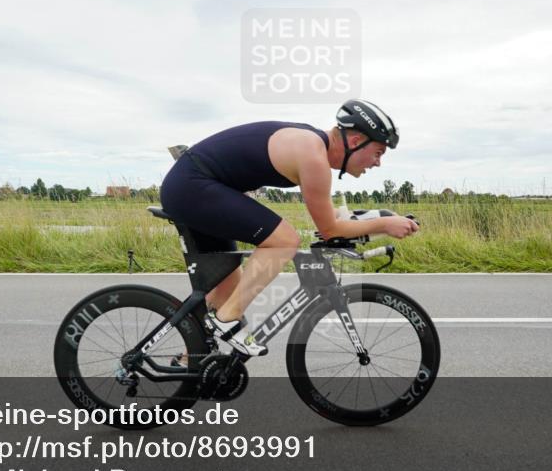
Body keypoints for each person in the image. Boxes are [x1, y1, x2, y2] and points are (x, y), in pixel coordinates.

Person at [159, 99, 419, 356]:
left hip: (196, 186)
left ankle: (191, 361)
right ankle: (227, 319)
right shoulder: (313, 156)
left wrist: (379, 220)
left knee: (228, 288)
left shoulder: (313, 146)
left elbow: (332, 220)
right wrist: (385, 224)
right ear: (355, 141)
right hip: (192, 186)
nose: (377, 163)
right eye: (378, 153)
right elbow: (330, 230)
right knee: (284, 241)